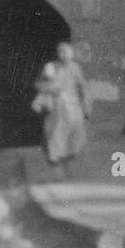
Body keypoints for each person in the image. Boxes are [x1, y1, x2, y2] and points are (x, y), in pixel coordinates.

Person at [32, 42, 89, 176]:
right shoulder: (50, 67)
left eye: (67, 52)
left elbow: (82, 86)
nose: (65, 55)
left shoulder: (76, 68)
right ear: (58, 54)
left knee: (75, 139)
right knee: (55, 138)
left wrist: (86, 104)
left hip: (74, 109)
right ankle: (58, 170)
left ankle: (65, 165)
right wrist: (51, 88)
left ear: (72, 54)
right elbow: (40, 85)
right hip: (57, 108)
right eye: (61, 52)